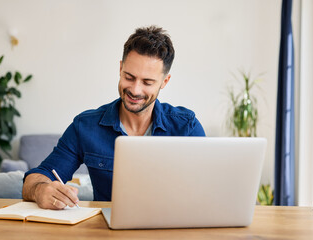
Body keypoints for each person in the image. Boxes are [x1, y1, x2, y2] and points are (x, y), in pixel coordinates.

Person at [22, 25, 206, 209]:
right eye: (129, 77)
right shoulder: (86, 126)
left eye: (147, 82)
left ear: (164, 82)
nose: (135, 90)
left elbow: (207, 187)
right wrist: (41, 191)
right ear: (120, 68)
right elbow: (38, 177)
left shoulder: (186, 127)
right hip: (106, 232)